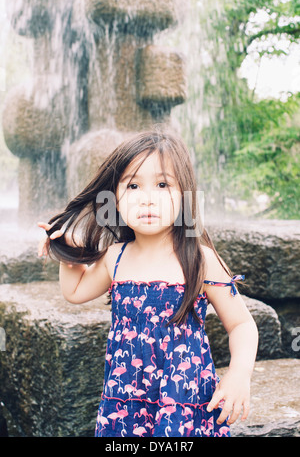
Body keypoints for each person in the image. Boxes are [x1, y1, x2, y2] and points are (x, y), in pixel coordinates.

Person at [38, 129, 258, 437]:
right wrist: (68, 253)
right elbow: (74, 292)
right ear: (114, 197)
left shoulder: (200, 259)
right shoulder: (116, 257)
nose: (147, 199)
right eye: (133, 185)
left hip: (184, 398)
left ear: (185, 194)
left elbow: (241, 325)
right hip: (125, 397)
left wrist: (239, 375)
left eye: (163, 184)